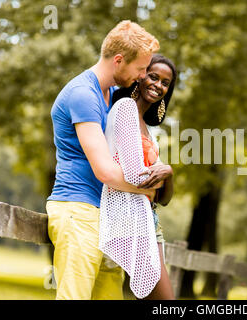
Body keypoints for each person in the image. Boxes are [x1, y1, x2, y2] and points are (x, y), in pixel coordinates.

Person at [46, 20, 161, 300]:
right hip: (79, 211)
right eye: (141, 68)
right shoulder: (83, 94)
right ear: (119, 60)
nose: (144, 76)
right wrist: (147, 190)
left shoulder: (110, 95)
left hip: (108, 217)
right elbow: (106, 171)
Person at [101, 54, 177, 300]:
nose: (158, 85)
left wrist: (169, 173)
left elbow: (165, 198)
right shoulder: (124, 109)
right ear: (140, 76)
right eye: (153, 77)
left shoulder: (147, 128)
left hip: (148, 222)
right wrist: (161, 174)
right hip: (128, 219)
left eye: (165, 83)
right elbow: (136, 176)